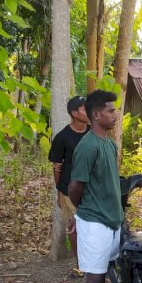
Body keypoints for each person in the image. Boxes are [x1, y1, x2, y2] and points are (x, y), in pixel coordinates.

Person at [68, 90, 125, 283]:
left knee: (101, 275)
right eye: (111, 111)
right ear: (95, 115)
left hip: (111, 221)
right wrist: (85, 212)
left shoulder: (109, 144)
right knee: (92, 279)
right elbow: (74, 187)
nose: (116, 114)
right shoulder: (87, 146)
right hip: (94, 223)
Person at [48, 96, 89, 259]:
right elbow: (57, 166)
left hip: (92, 189)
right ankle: (81, 264)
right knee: (75, 226)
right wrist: (59, 192)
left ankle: (91, 262)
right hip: (69, 189)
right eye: (85, 109)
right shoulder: (62, 137)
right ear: (74, 113)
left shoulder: (94, 133)